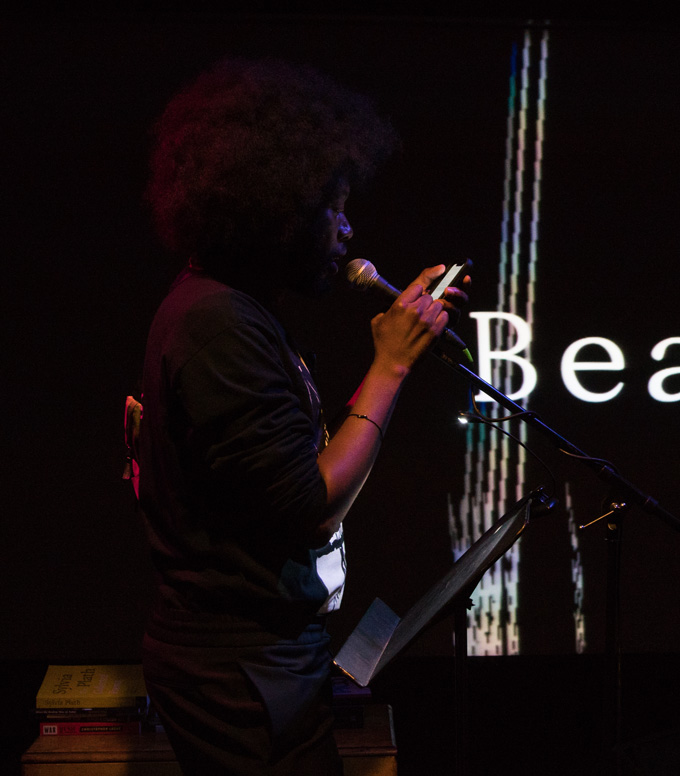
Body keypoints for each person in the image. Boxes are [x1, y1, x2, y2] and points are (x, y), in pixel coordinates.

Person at [136, 58, 467, 774]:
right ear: (273, 206)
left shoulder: (234, 312)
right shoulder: (219, 325)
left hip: (267, 657)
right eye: (333, 205)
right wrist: (391, 365)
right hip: (244, 669)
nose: (348, 228)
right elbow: (309, 502)